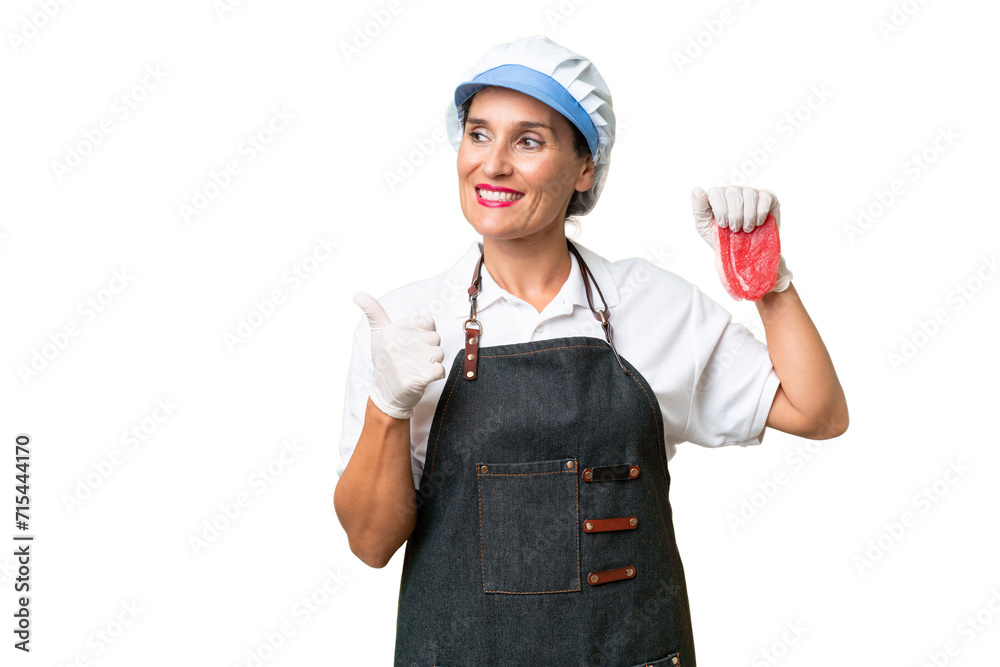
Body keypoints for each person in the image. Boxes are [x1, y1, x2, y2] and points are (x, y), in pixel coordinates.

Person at [334, 35, 848, 667]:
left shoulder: (652, 303)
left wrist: (768, 286)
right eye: (478, 134)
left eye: (528, 140)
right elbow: (370, 542)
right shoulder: (404, 325)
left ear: (585, 168)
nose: (492, 164)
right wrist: (387, 406)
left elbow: (819, 413)